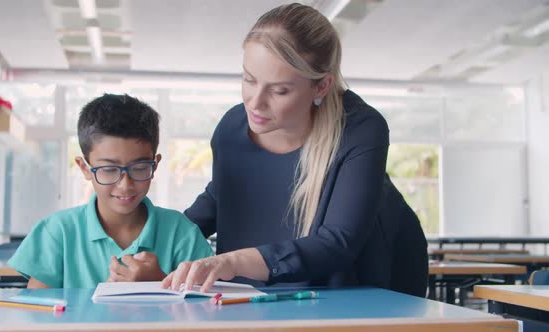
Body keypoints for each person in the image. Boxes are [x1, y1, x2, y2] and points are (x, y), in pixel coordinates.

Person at [162, 3, 428, 297]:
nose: (255, 102)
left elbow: (338, 242)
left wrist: (231, 260)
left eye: (279, 90)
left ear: (321, 86)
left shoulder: (360, 129)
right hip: (261, 295)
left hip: (363, 286)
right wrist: (156, 243)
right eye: (249, 79)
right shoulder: (232, 128)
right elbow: (220, 198)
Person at [8, 94, 213, 288]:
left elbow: (206, 314)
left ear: (155, 165)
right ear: (84, 168)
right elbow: (37, 317)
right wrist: (103, 299)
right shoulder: (56, 233)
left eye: (140, 168)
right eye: (108, 169)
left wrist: (160, 284)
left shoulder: (182, 234)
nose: (125, 185)